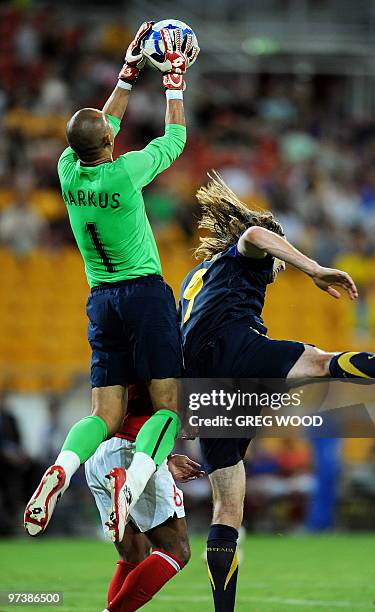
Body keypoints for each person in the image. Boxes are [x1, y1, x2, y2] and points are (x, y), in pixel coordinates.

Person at [178, 173, 375, 612]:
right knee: (321, 362)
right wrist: (311, 267)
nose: (278, 268)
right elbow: (255, 233)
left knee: (228, 505)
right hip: (233, 345)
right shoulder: (245, 256)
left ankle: (222, 611)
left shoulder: (196, 278)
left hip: (202, 383)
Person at [24, 21, 198, 543]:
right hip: (144, 293)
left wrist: (126, 74)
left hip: (100, 299)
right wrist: (173, 81)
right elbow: (176, 138)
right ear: (109, 142)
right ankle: (135, 481)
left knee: (104, 411)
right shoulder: (125, 173)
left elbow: (101, 127)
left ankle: (61, 469)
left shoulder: (66, 171)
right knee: (166, 407)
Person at [85, 382, 204, 611]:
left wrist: (167, 458)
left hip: (100, 449)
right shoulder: (171, 351)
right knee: (176, 549)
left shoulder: (118, 351)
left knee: (134, 554)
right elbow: (180, 413)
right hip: (136, 452)